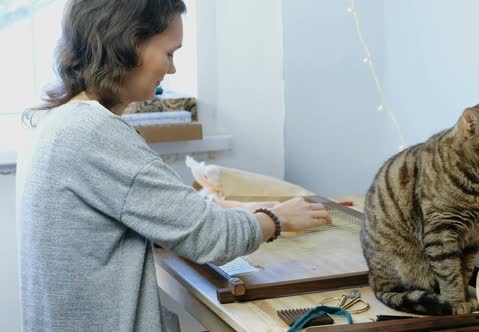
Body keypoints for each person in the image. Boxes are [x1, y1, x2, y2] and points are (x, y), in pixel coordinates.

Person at [16, 1, 331, 331]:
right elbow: (210, 238)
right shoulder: (93, 132)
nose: (172, 69)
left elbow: (160, 215)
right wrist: (277, 219)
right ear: (128, 43)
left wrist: (243, 211)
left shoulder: (54, 122)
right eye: (169, 53)